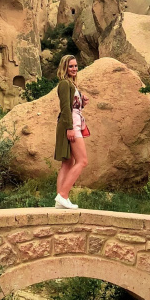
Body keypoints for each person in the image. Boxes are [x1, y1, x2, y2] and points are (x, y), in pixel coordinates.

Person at [54, 54, 89, 209]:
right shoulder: (64, 84)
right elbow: (65, 108)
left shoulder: (71, 84)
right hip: (71, 125)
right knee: (82, 161)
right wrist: (69, 128)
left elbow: (73, 107)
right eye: (71, 66)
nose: (74, 69)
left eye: (75, 66)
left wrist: (83, 103)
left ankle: (59, 201)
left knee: (67, 162)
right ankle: (63, 195)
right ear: (64, 67)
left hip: (73, 123)